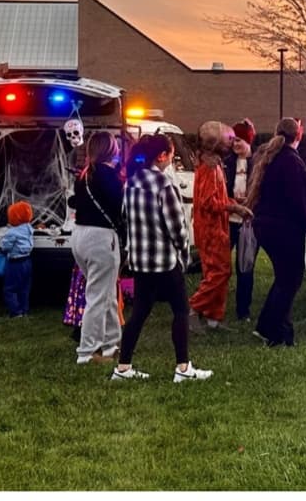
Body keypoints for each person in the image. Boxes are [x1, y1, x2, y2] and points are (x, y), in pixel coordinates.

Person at [114, 135, 212, 382]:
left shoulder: (131, 182)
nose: (172, 158)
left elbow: (125, 218)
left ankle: (123, 367)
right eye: (171, 154)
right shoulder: (163, 184)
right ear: (162, 156)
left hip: (140, 261)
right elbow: (177, 227)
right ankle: (182, 367)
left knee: (139, 313)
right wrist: (184, 253)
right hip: (164, 260)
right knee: (180, 310)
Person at [247, 117, 306, 348]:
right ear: (298, 135)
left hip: (266, 225)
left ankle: (268, 326)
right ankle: (276, 331)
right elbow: (302, 199)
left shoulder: (270, 158)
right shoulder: (292, 163)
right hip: (285, 228)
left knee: (283, 279)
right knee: (290, 280)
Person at [69, 131, 125, 364]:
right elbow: (120, 207)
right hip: (101, 238)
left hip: (80, 235)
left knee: (107, 292)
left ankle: (111, 343)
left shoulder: (84, 175)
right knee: (98, 296)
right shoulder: (108, 176)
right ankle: (87, 351)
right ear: (111, 150)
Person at [189, 121, 251, 330]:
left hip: (215, 226)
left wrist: (234, 202)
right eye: (229, 139)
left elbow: (217, 197)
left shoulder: (212, 164)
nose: (232, 143)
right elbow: (208, 202)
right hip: (211, 228)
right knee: (220, 272)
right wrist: (233, 209)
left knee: (217, 272)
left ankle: (213, 317)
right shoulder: (209, 167)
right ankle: (193, 308)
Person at [224, 119, 258, 321]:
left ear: (248, 141)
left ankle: (243, 309)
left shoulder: (257, 163)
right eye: (233, 141)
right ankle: (215, 303)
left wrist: (249, 203)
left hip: (248, 221)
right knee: (222, 264)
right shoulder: (227, 163)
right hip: (229, 219)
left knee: (245, 265)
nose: (236, 145)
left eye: (239, 140)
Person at [0, 201, 35, 318]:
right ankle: (24, 310)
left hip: (15, 263)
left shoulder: (12, 233)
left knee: (10, 289)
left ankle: (16, 312)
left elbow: (5, 247)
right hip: (27, 262)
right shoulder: (29, 228)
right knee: (24, 288)